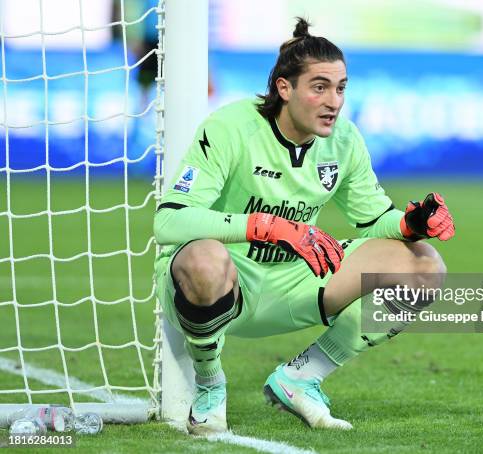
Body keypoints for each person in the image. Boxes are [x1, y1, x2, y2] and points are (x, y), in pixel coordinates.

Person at [153, 17, 455, 434]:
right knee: (204, 257)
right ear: (284, 88)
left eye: (341, 88)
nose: (334, 101)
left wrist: (411, 223)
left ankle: (301, 376)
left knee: (424, 266)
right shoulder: (230, 128)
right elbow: (170, 221)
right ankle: (209, 383)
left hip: (295, 281)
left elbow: (372, 221)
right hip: (222, 280)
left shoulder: (344, 140)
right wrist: (267, 226)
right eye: (320, 87)